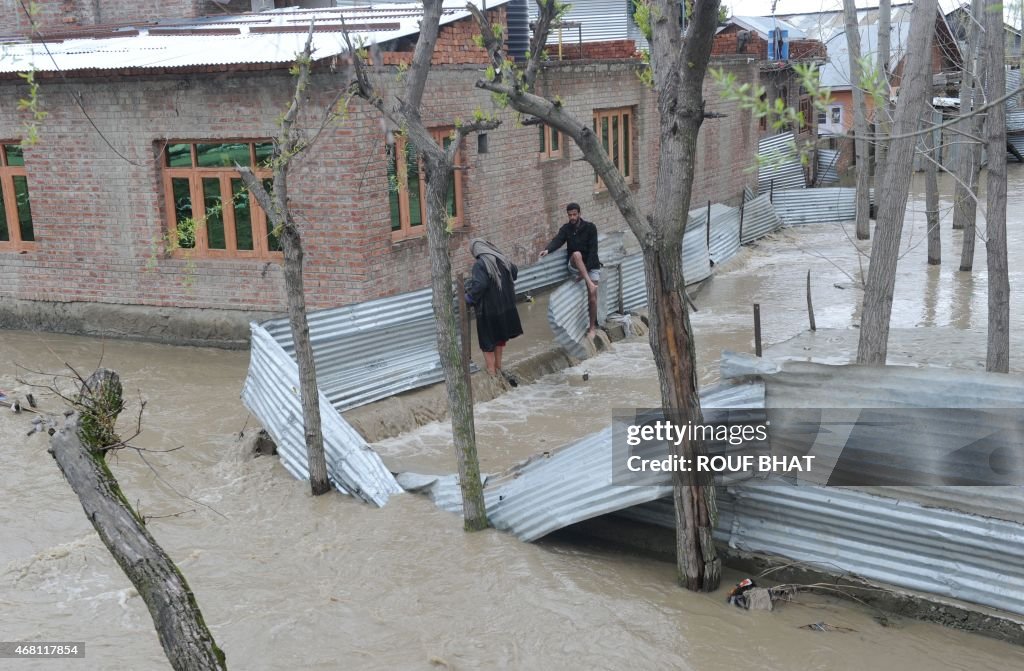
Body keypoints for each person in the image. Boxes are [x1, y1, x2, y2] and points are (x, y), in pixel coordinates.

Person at [539, 202, 601, 338]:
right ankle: (589, 283)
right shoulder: (566, 229)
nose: (572, 217)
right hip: (574, 264)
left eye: (574, 214)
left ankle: (592, 328)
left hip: (591, 265)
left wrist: (586, 271)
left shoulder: (590, 228)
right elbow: (558, 240)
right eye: (570, 215)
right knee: (577, 254)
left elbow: (593, 251)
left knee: (593, 298)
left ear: (579, 213)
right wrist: (547, 250)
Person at [466, 239, 524, 377]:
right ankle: (498, 368)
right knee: (499, 339)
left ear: (476, 251)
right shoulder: (502, 259)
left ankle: (491, 373)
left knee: (487, 342)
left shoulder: (480, 265)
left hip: (489, 311)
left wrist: (469, 298)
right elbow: (514, 272)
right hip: (506, 308)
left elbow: (480, 285)